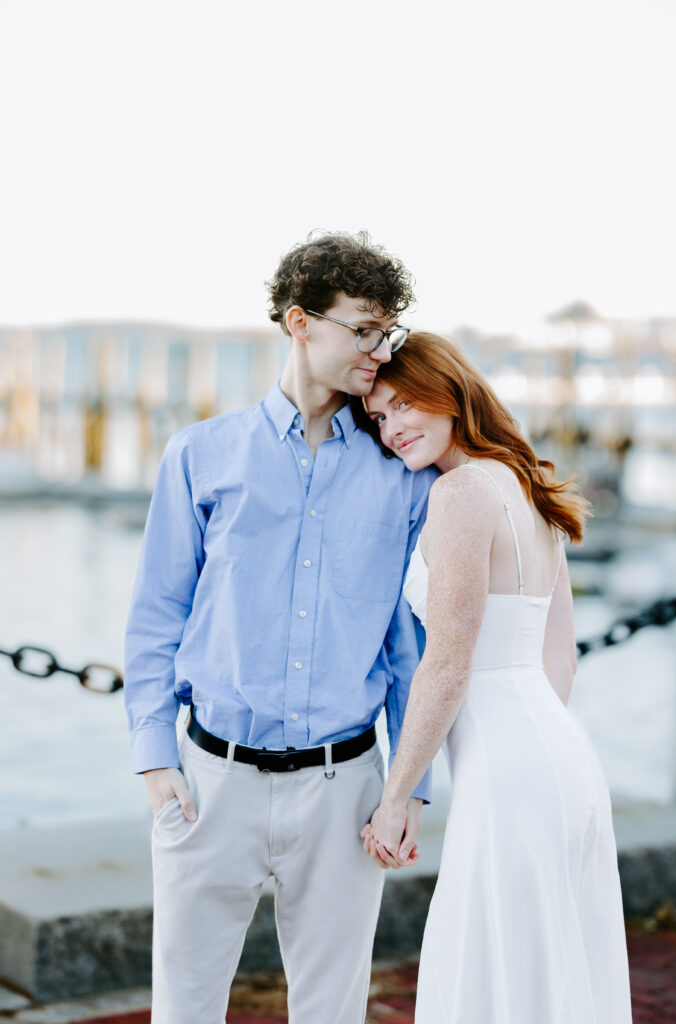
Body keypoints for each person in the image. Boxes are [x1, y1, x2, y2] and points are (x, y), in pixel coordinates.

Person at [123, 232, 436, 1024]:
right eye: (362, 329)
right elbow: (157, 613)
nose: (379, 350)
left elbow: (408, 645)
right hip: (208, 784)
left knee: (330, 1011)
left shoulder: (400, 472)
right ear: (301, 322)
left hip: (346, 790)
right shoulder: (200, 454)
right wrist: (157, 762)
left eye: (386, 333)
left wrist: (407, 790)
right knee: (184, 1008)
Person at [357, 332, 632, 1023]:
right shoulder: (527, 482)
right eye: (377, 418)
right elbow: (556, 659)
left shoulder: (458, 493)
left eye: (399, 406)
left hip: (509, 769)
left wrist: (395, 798)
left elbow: (447, 661)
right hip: (558, 753)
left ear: (446, 392)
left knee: (494, 967)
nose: (390, 429)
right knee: (545, 965)